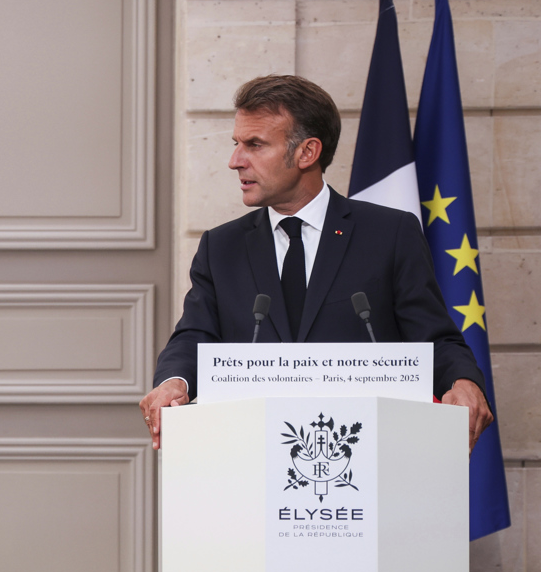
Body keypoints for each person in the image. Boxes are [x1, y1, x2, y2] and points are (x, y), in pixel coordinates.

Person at [140, 75, 491, 451]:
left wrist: (463, 382)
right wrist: (174, 381)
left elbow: (434, 338)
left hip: (366, 450)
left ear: (307, 152)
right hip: (251, 451)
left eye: (255, 145)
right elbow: (195, 336)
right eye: (236, 144)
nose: (234, 161)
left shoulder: (389, 235)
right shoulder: (221, 246)